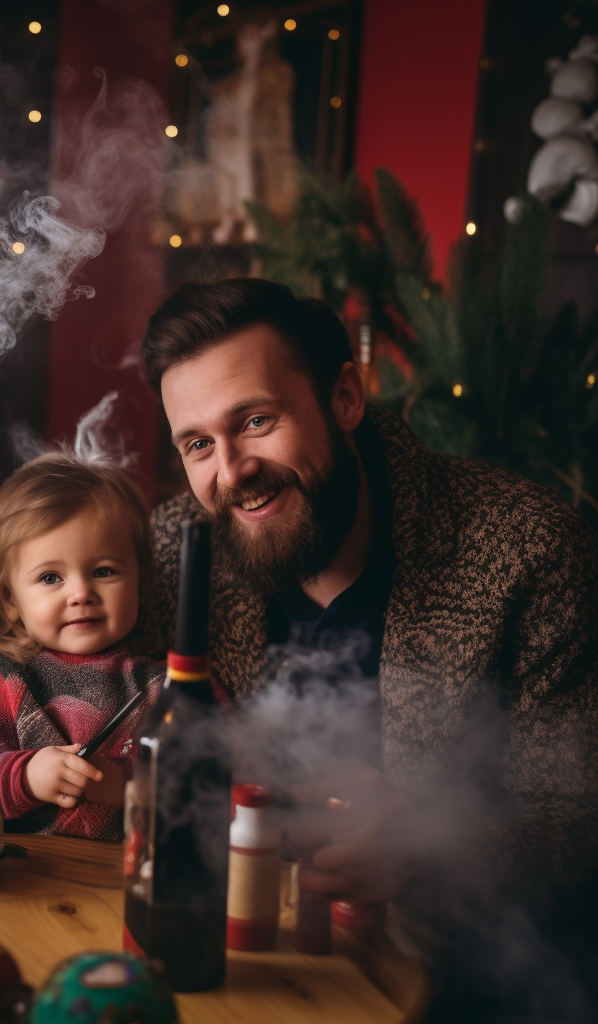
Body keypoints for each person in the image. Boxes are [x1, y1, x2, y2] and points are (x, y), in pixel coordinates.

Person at [141, 279, 598, 1010]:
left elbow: (575, 825)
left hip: (456, 984)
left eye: (256, 420)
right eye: (198, 444)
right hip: (231, 972)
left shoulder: (526, 550)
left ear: (346, 398)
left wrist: (436, 847)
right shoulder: (175, 547)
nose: (231, 473)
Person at [0, 453, 165, 840]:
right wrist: (25, 776)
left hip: (132, 885)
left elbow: (212, 779)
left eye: (103, 571)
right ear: (10, 600)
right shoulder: (0, 677)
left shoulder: (168, 686)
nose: (81, 593)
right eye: (50, 577)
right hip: (23, 882)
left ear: (140, 583)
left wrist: (124, 783)